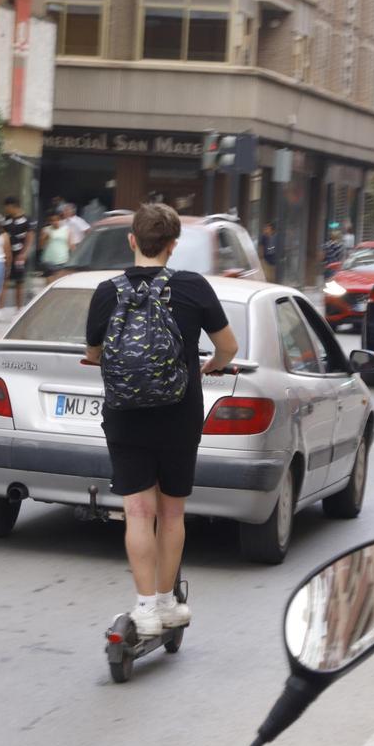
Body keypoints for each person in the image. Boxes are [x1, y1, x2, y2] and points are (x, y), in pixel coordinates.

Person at [84, 203, 239, 636]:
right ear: (173, 245)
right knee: (171, 514)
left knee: (137, 511)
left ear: (132, 240)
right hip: (178, 414)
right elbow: (229, 346)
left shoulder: (106, 291)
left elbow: (94, 352)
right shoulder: (192, 287)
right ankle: (170, 604)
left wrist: (97, 357)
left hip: (125, 415)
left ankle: (145, 607)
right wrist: (211, 364)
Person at [1, 196, 34, 310]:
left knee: (19, 282)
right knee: (4, 279)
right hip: (6, 255)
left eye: (7, 207)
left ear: (13, 206)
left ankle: (19, 308)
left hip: (20, 255)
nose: (6, 210)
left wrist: (24, 253)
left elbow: (30, 238)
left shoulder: (27, 220)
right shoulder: (6, 219)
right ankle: (0, 308)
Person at [38, 212, 73, 278]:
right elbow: (40, 246)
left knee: (60, 280)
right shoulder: (46, 230)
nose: (55, 222)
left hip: (63, 259)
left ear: (61, 220)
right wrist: (43, 238)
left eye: (57, 220)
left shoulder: (66, 229)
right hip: (48, 259)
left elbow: (70, 244)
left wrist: (74, 256)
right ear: (49, 222)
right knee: (50, 279)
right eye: (52, 220)